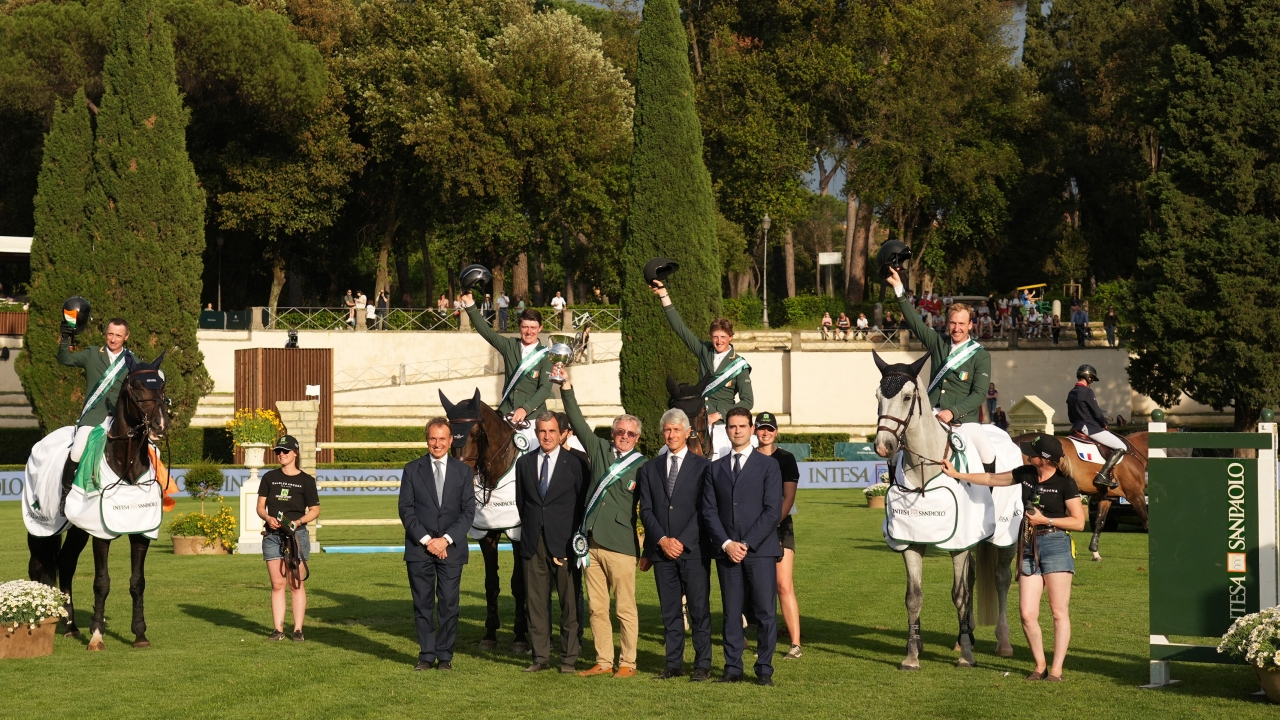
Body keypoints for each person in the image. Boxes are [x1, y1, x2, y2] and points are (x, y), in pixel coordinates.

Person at [941, 435, 1084, 682]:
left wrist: (1045, 520)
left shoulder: (1066, 483)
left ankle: (1057, 670)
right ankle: (1040, 666)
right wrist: (957, 475)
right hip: (1028, 545)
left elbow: (1079, 522)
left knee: (1058, 612)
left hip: (1056, 544)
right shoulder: (1026, 473)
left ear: (1045, 459)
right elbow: (991, 479)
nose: (1028, 454)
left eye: (1033, 452)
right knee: (1027, 613)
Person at [559, 369, 645, 679]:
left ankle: (629, 663)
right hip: (590, 544)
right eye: (620, 431)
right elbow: (576, 419)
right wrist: (566, 388)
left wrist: (645, 543)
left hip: (622, 546)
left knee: (625, 609)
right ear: (612, 432)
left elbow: (647, 509)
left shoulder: (643, 467)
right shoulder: (597, 450)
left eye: (630, 434)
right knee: (597, 608)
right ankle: (604, 660)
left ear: (637, 438)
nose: (624, 436)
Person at [886, 267, 997, 470]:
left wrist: (952, 412)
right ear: (948, 323)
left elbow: (980, 394)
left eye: (962, 324)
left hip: (963, 420)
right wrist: (899, 289)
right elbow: (915, 323)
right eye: (953, 323)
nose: (957, 328)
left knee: (988, 453)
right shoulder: (939, 343)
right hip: (929, 413)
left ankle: (987, 499)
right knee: (895, 456)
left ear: (971, 325)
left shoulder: (980, 355)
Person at [703, 408, 782, 685]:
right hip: (727, 552)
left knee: (764, 612)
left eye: (742, 426)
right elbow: (709, 511)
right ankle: (732, 668)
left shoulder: (769, 466)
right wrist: (727, 544)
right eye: (732, 426)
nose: (737, 430)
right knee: (731, 611)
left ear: (751, 429)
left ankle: (764, 669)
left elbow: (773, 511)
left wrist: (746, 544)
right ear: (727, 430)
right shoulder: (715, 468)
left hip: (759, 551)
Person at [638, 408, 714, 681]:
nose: (671, 435)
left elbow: (705, 509)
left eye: (676, 430)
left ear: (687, 432)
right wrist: (662, 540)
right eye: (667, 430)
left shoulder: (704, 467)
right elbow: (646, 510)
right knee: (670, 611)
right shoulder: (649, 468)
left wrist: (680, 541)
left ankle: (702, 665)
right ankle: (673, 664)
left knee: (698, 611)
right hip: (662, 551)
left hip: (693, 550)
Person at [514, 412, 588, 673]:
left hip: (566, 544)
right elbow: (523, 504)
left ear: (562, 433)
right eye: (542, 431)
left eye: (552, 431)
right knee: (535, 604)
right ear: (536, 433)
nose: (547, 436)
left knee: (569, 605)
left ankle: (568, 658)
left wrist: (575, 541)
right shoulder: (524, 464)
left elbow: (582, 505)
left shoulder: (577, 463)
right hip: (533, 543)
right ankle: (540, 658)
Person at [399, 418, 476, 670]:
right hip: (419, 549)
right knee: (422, 604)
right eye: (433, 438)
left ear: (451, 440)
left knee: (448, 604)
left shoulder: (463, 472)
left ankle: (445, 656)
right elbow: (406, 510)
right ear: (427, 439)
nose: (438, 443)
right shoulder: (412, 470)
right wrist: (427, 541)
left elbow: (468, 512)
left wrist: (445, 540)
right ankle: (426, 654)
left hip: (451, 549)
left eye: (443, 438)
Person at [652, 280, 754, 459]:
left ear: (731, 337)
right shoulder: (703, 350)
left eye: (723, 337)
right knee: (665, 454)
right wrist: (663, 295)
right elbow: (680, 329)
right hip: (696, 419)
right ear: (710, 336)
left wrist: (720, 414)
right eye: (715, 336)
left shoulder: (739, 365)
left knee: (720, 459)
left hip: (721, 424)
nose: (719, 341)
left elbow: (748, 401)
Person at [57, 316, 135, 501]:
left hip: (120, 418)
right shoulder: (92, 353)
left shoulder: (132, 360)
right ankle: (65, 496)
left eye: (118, 335)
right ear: (105, 334)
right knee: (77, 450)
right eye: (110, 334)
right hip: (94, 416)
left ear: (126, 337)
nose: (113, 339)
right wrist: (66, 338)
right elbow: (64, 359)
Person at [256, 435, 320, 642]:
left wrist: (299, 522)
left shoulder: (306, 481)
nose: (281, 454)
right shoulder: (269, 477)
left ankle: (298, 629)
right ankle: (278, 629)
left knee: (296, 583)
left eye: (285, 451)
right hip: (273, 535)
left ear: (296, 453)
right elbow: (260, 507)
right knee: (277, 584)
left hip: (297, 536)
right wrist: (268, 518)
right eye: (278, 452)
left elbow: (315, 510)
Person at [459, 292, 553, 432]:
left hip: (533, 418)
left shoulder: (546, 356)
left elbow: (545, 389)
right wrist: (470, 303)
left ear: (540, 328)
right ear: (519, 327)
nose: (529, 332)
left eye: (533, 328)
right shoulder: (509, 345)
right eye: (524, 327)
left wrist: (525, 409)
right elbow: (487, 332)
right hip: (506, 415)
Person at [753, 411, 802, 660]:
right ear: (754, 430)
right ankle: (764, 641)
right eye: (761, 428)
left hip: (780, 526)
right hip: (752, 530)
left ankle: (795, 644)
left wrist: (770, 525)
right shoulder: (748, 458)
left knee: (783, 585)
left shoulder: (786, 458)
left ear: (776, 432)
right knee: (758, 588)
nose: (765, 432)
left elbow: (789, 496)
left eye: (769, 429)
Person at [1067, 364, 1126, 489]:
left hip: (1076, 428)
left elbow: (1071, 417)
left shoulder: (1071, 393)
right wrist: (1104, 423)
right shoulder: (1087, 392)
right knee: (1121, 446)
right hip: (1090, 428)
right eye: (1092, 379)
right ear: (1088, 378)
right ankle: (1103, 475)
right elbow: (1097, 412)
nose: (1092, 382)